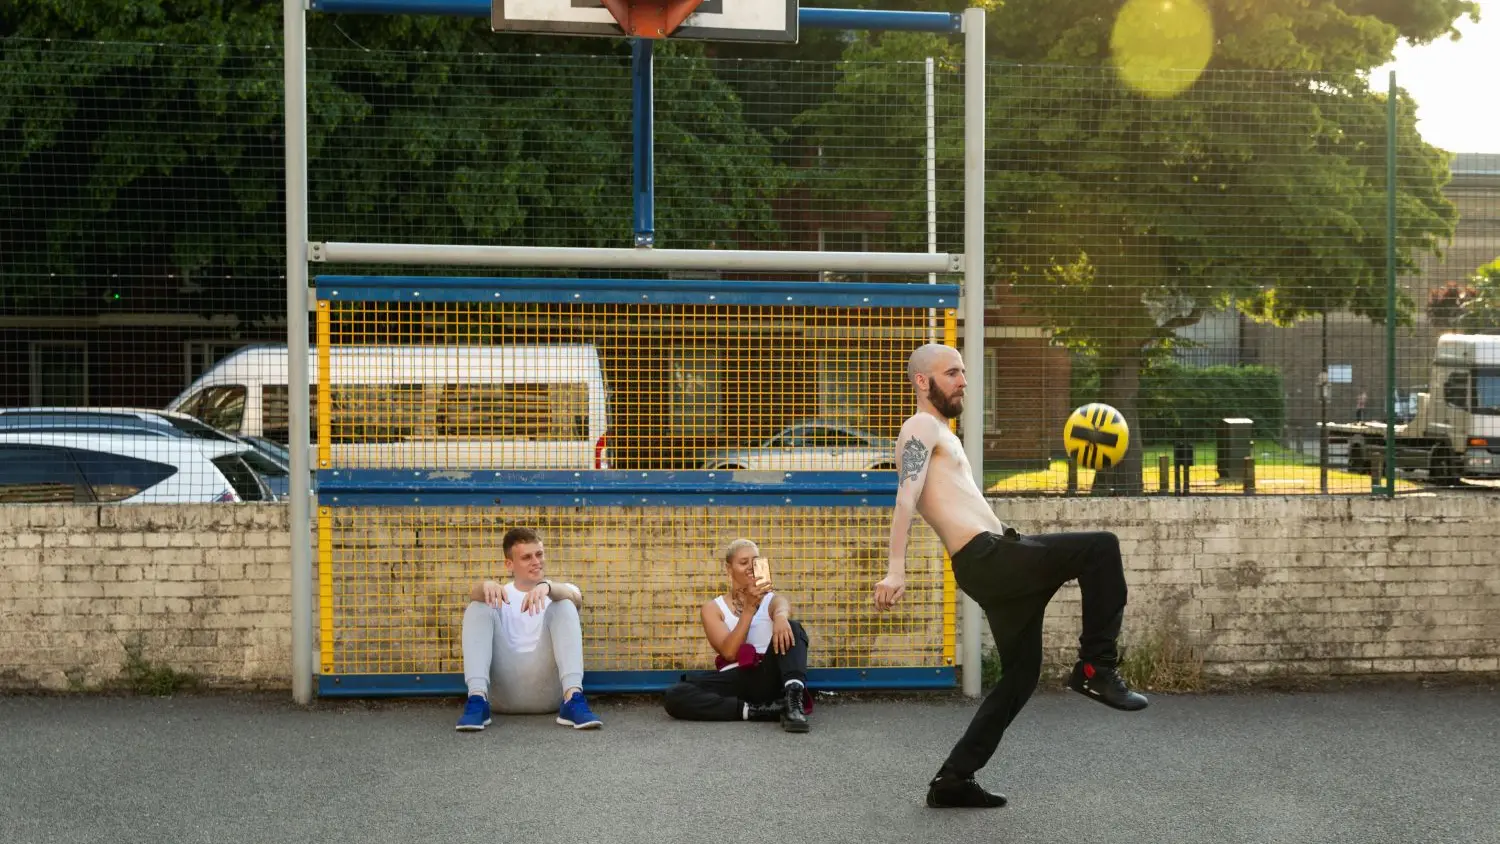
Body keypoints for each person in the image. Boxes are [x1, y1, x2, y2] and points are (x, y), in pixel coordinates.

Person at [874, 343, 1148, 809]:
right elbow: (905, 496)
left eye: (964, 372)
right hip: (989, 559)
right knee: (1101, 548)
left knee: (1020, 677)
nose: (963, 380)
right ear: (922, 382)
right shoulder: (920, 426)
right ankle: (1095, 668)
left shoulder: (942, 432)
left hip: (993, 563)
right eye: (952, 373)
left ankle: (953, 780)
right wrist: (894, 568)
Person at [455, 527, 603, 732]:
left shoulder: (556, 590)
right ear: (509, 564)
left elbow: (576, 598)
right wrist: (484, 586)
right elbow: (473, 594)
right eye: (526, 557)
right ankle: (477, 700)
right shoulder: (500, 593)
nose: (536, 561)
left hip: (548, 692)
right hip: (503, 694)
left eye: (539, 554)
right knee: (477, 606)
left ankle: (573, 700)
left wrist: (548, 587)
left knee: (565, 603)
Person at [662, 538, 811, 733]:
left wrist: (781, 618)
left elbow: (781, 605)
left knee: (793, 627)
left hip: (767, 675)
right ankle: (757, 711)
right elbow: (730, 652)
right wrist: (749, 609)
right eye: (743, 562)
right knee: (675, 694)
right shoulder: (713, 608)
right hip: (736, 679)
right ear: (729, 568)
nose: (750, 567)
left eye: (755, 561)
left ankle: (793, 703)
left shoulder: (770, 599)